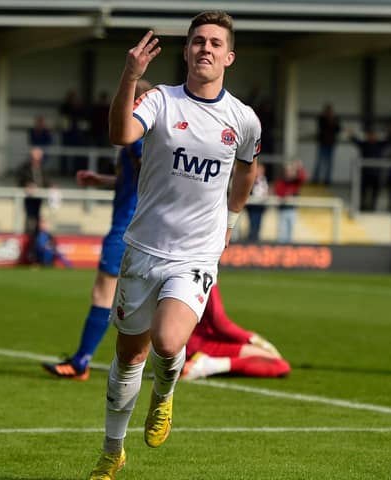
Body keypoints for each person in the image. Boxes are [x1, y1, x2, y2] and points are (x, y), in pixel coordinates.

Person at [86, 11, 260, 479]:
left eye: (214, 42)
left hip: (196, 254)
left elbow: (247, 170)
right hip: (143, 248)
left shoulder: (243, 119)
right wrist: (130, 76)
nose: (205, 48)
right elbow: (121, 135)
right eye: (197, 40)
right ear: (186, 51)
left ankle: (163, 397)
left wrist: (233, 218)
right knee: (129, 356)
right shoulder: (160, 100)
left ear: (229, 56)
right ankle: (111, 451)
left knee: (167, 341)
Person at [41, 80, 151, 381]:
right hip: (136, 224)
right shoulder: (135, 140)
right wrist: (101, 180)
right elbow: (137, 179)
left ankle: (81, 362)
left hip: (128, 227)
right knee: (143, 297)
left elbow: (155, 173)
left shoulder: (137, 138)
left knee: (105, 292)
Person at [181, 282, 290, 379]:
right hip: (200, 344)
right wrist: (254, 340)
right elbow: (219, 323)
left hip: (179, 343)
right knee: (279, 364)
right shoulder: (202, 266)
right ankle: (208, 365)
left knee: (272, 360)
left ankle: (209, 364)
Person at [18, 146, 52, 264]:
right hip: (29, 203)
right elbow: (20, 181)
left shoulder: (43, 169)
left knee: (39, 228)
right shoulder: (24, 168)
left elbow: (47, 182)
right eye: (35, 156)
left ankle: (37, 257)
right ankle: (26, 256)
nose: (38, 159)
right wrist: (27, 186)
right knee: (30, 226)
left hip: (40, 202)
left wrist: (52, 187)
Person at [275, 160, 306, 243]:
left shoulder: (295, 182)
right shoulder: (281, 182)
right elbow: (278, 193)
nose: (289, 173)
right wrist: (284, 197)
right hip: (283, 210)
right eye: (287, 171)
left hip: (292, 210)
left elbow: (303, 178)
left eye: (291, 171)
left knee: (290, 234)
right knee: (282, 234)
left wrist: (299, 168)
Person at [312, 103, 340, 185]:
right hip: (323, 143)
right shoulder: (321, 119)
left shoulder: (336, 119)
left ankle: (327, 181)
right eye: (327, 111)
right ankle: (315, 180)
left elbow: (338, 129)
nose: (329, 112)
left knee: (329, 163)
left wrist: (333, 120)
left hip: (331, 144)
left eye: (330, 111)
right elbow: (321, 129)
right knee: (319, 162)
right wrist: (329, 120)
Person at [245, 163, 268, 242]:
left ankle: (255, 240)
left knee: (258, 225)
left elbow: (265, 190)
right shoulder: (252, 179)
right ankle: (251, 241)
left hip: (260, 206)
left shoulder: (264, 180)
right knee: (252, 224)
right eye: (259, 170)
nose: (260, 172)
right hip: (252, 206)